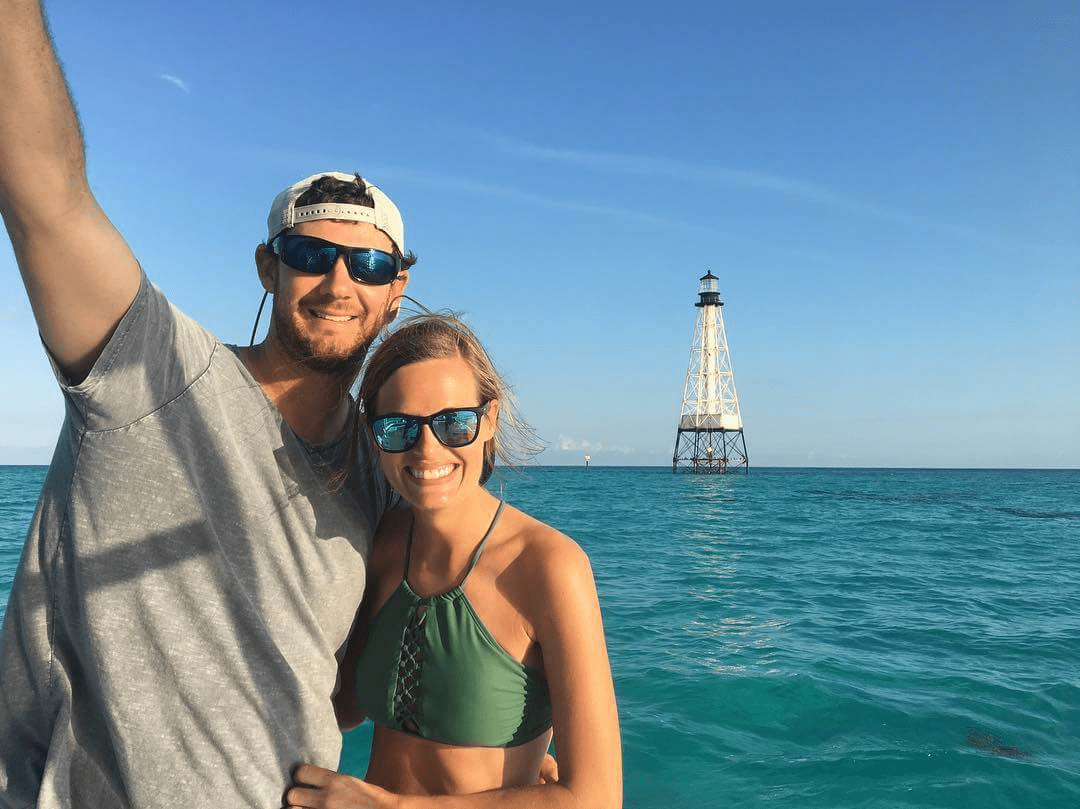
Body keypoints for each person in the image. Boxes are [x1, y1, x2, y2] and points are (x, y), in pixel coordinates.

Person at [0, 3, 413, 807]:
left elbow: (355, 685)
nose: (338, 283)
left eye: (366, 263)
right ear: (269, 266)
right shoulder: (153, 368)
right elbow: (43, 191)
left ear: (395, 295)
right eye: (310, 255)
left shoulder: (384, 474)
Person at [284, 315, 622, 809]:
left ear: (490, 420)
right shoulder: (381, 543)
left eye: (453, 423)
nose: (427, 449)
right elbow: (345, 707)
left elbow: (596, 799)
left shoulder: (548, 567)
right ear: (372, 433)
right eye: (398, 428)